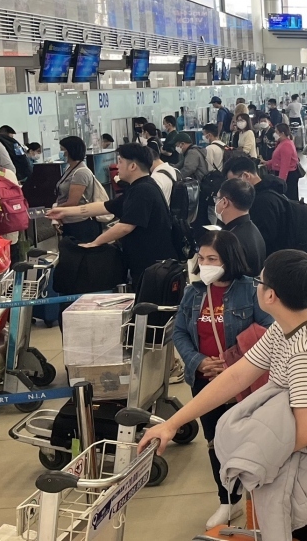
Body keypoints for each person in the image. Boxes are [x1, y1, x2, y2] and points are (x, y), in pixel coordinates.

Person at [139, 250, 307, 541]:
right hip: (287, 464)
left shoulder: (305, 354)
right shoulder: (286, 328)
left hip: (305, 478)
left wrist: (253, 455)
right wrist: (172, 423)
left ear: (271, 296)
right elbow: (237, 375)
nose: (256, 286)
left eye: (259, 281)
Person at [171, 231, 274, 529]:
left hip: (244, 383)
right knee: (215, 442)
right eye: (201, 258)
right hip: (204, 381)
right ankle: (228, 502)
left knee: (251, 441)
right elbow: (179, 332)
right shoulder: (193, 293)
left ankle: (261, 500)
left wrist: (234, 362)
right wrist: (198, 361)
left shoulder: (252, 291)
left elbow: (269, 332)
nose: (205, 264)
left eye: (212, 259)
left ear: (229, 259)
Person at [47, 143, 173, 289]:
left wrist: (95, 242)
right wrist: (65, 212)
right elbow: (104, 206)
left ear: (132, 166)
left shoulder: (143, 190)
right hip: (143, 262)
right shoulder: (138, 187)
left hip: (152, 265)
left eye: (120, 161)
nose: (117, 166)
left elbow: (125, 226)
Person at [223, 157, 292, 258]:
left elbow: (262, 238)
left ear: (246, 176)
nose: (231, 187)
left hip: (272, 260)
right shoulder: (270, 189)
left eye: (233, 182)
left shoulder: (262, 201)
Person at [54, 136, 103, 243]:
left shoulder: (81, 172)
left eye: (63, 149)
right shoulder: (70, 168)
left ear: (70, 150)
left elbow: (72, 202)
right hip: (69, 221)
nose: (61, 152)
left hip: (81, 224)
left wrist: (54, 210)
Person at [214, 179, 267, 276]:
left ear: (225, 202)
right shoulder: (253, 230)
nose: (216, 202)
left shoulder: (232, 239)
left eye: (217, 198)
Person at [265, 123, 301, 201]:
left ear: (282, 133)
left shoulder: (286, 145)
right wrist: (267, 163)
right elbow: (278, 159)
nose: (274, 134)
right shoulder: (282, 143)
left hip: (288, 176)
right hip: (285, 174)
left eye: (276, 132)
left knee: (289, 198)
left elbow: (285, 165)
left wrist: (281, 182)